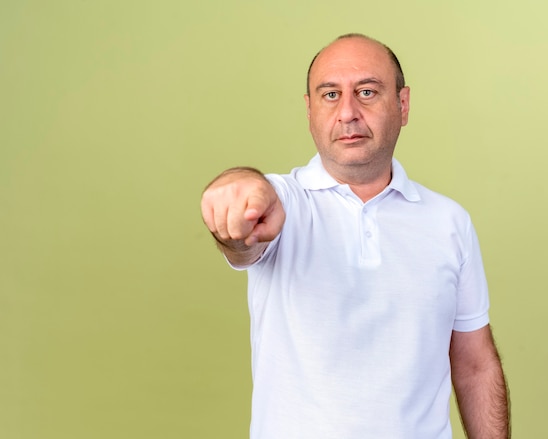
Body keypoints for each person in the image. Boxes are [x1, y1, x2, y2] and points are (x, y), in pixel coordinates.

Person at [201, 33, 510, 439]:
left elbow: (475, 365)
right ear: (309, 110)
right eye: (330, 95)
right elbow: (244, 232)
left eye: (367, 92)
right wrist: (237, 192)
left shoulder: (449, 222)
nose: (347, 112)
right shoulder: (283, 204)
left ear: (402, 105)